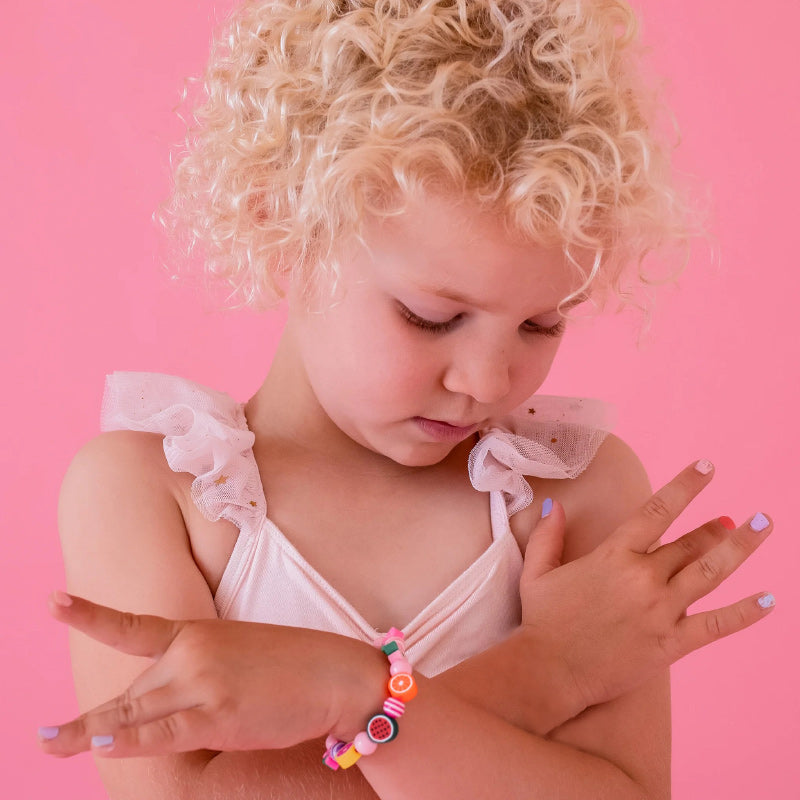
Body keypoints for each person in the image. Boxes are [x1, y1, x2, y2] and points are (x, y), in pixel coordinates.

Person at [37, 1, 775, 798]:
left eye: (540, 323)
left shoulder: (572, 495)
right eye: (432, 317)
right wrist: (543, 671)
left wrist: (361, 700)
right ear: (286, 227)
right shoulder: (158, 493)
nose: (488, 382)